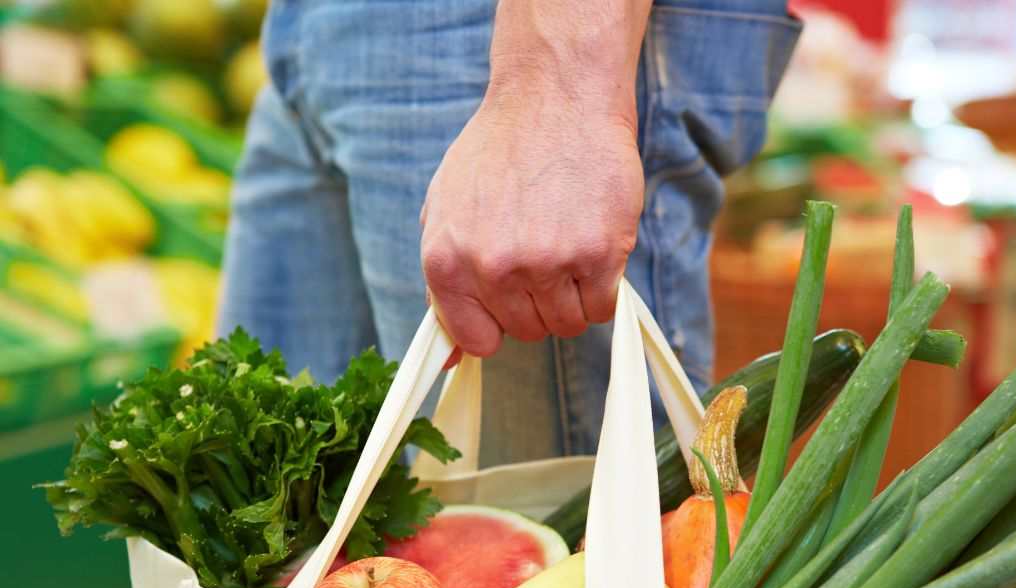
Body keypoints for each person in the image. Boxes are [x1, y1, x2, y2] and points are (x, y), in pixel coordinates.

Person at [218, 0, 801, 465]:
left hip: (504, 35)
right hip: (316, 30)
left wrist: (559, 80)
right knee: (271, 537)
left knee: (551, 575)